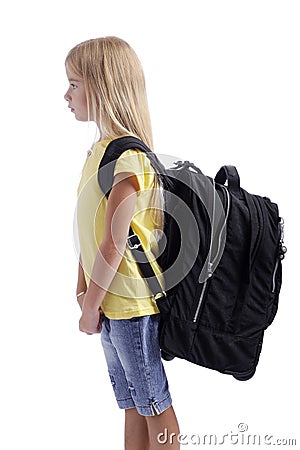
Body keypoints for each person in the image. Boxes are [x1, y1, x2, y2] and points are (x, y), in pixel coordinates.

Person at [64, 36, 180, 449]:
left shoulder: (128, 159)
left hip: (130, 306)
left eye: (74, 84)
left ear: (102, 86)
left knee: (153, 402)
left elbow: (114, 245)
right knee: (132, 402)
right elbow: (89, 233)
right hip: (111, 306)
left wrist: (89, 306)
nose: (66, 95)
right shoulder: (98, 152)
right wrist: (83, 291)